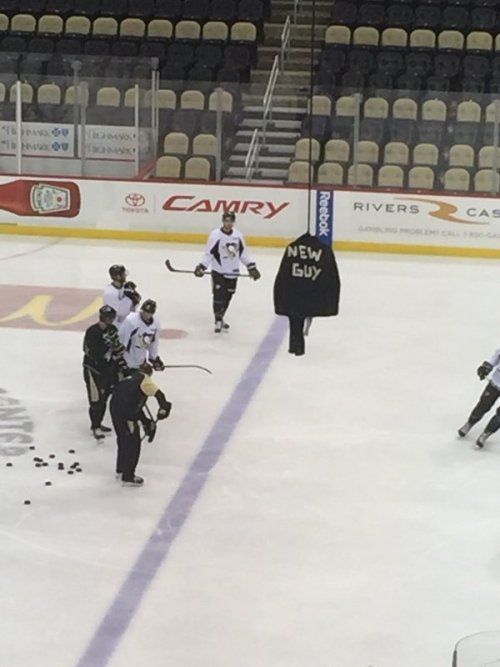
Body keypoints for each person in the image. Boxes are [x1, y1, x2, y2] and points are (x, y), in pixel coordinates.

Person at [273, 232, 341, 356]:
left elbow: (283, 274)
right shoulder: (323, 250)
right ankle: (297, 345)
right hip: (311, 292)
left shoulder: (292, 248)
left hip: (294, 291)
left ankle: (295, 345)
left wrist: (280, 295)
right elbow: (330, 275)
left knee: (295, 318)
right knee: (302, 315)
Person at [193, 211, 261, 333]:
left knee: (228, 296)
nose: (228, 224)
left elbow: (243, 254)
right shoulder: (215, 235)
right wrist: (202, 266)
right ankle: (218, 320)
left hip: (233, 271)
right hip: (218, 270)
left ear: (233, 222)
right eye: (226, 221)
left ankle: (221, 316)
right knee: (219, 296)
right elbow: (209, 253)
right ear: (223, 221)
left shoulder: (238, 236)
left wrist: (251, 267)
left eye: (230, 221)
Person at [110, 362, 172, 486]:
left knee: (123, 438)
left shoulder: (131, 378)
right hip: (125, 412)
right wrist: (164, 408)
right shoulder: (146, 380)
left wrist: (146, 422)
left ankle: (121, 469)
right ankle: (128, 476)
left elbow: (136, 407)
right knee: (133, 442)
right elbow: (160, 396)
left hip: (115, 407)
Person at [83, 304, 129, 440]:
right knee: (96, 399)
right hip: (93, 370)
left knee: (105, 398)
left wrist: (119, 358)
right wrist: (106, 354)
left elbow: (116, 346)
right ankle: (95, 426)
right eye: (107, 318)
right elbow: (89, 351)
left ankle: (99, 422)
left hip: (107, 370)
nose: (109, 320)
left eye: (111, 318)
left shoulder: (113, 330)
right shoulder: (92, 331)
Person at [458, 350, 500, 448]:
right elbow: (496, 356)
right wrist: (486, 367)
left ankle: (486, 434)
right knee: (483, 405)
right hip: (495, 383)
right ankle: (469, 423)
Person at [119, 298, 165, 371]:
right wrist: (120, 360)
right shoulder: (131, 321)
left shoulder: (156, 324)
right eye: (145, 311)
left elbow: (154, 343)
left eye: (149, 312)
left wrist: (154, 359)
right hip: (128, 360)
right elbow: (122, 340)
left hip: (141, 360)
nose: (146, 314)